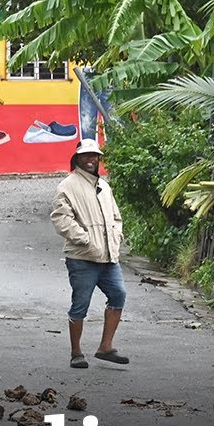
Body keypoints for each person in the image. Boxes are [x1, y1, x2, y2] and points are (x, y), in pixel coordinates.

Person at [50, 138, 128, 368]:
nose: (91, 159)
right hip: (82, 257)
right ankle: (76, 353)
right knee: (80, 304)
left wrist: (116, 237)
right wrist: (84, 239)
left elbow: (116, 217)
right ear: (78, 158)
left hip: (108, 256)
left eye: (95, 155)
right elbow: (61, 219)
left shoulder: (104, 187)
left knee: (118, 295)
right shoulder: (67, 186)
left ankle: (106, 347)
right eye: (86, 155)